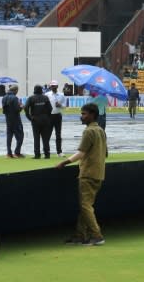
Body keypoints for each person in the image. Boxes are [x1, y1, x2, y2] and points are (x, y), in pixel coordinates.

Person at [56, 102, 108, 246]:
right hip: (99, 173)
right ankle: (80, 235)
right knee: (86, 205)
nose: (81, 117)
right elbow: (105, 153)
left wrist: (64, 162)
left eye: (84, 114)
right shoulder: (101, 130)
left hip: (88, 173)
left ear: (92, 115)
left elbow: (81, 153)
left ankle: (97, 235)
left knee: (85, 206)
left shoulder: (89, 132)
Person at [24, 85, 53, 159]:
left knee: (36, 138)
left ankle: (37, 154)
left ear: (34, 90)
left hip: (35, 119)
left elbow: (26, 108)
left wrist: (29, 117)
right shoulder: (45, 97)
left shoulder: (31, 98)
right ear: (41, 90)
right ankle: (47, 154)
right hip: (45, 119)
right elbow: (50, 108)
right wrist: (47, 116)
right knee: (45, 138)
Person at [1, 84, 24, 158]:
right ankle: (17, 152)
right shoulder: (15, 98)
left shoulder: (4, 98)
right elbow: (17, 110)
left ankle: (9, 153)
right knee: (20, 136)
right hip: (16, 120)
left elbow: (4, 110)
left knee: (9, 136)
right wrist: (21, 107)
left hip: (8, 120)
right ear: (15, 90)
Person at [46, 80, 66, 157]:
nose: (53, 87)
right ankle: (46, 150)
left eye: (54, 85)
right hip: (49, 116)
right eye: (52, 86)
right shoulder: (47, 95)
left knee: (58, 134)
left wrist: (60, 105)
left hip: (57, 115)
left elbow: (64, 106)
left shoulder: (61, 95)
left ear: (57, 86)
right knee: (47, 134)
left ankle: (59, 152)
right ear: (50, 86)